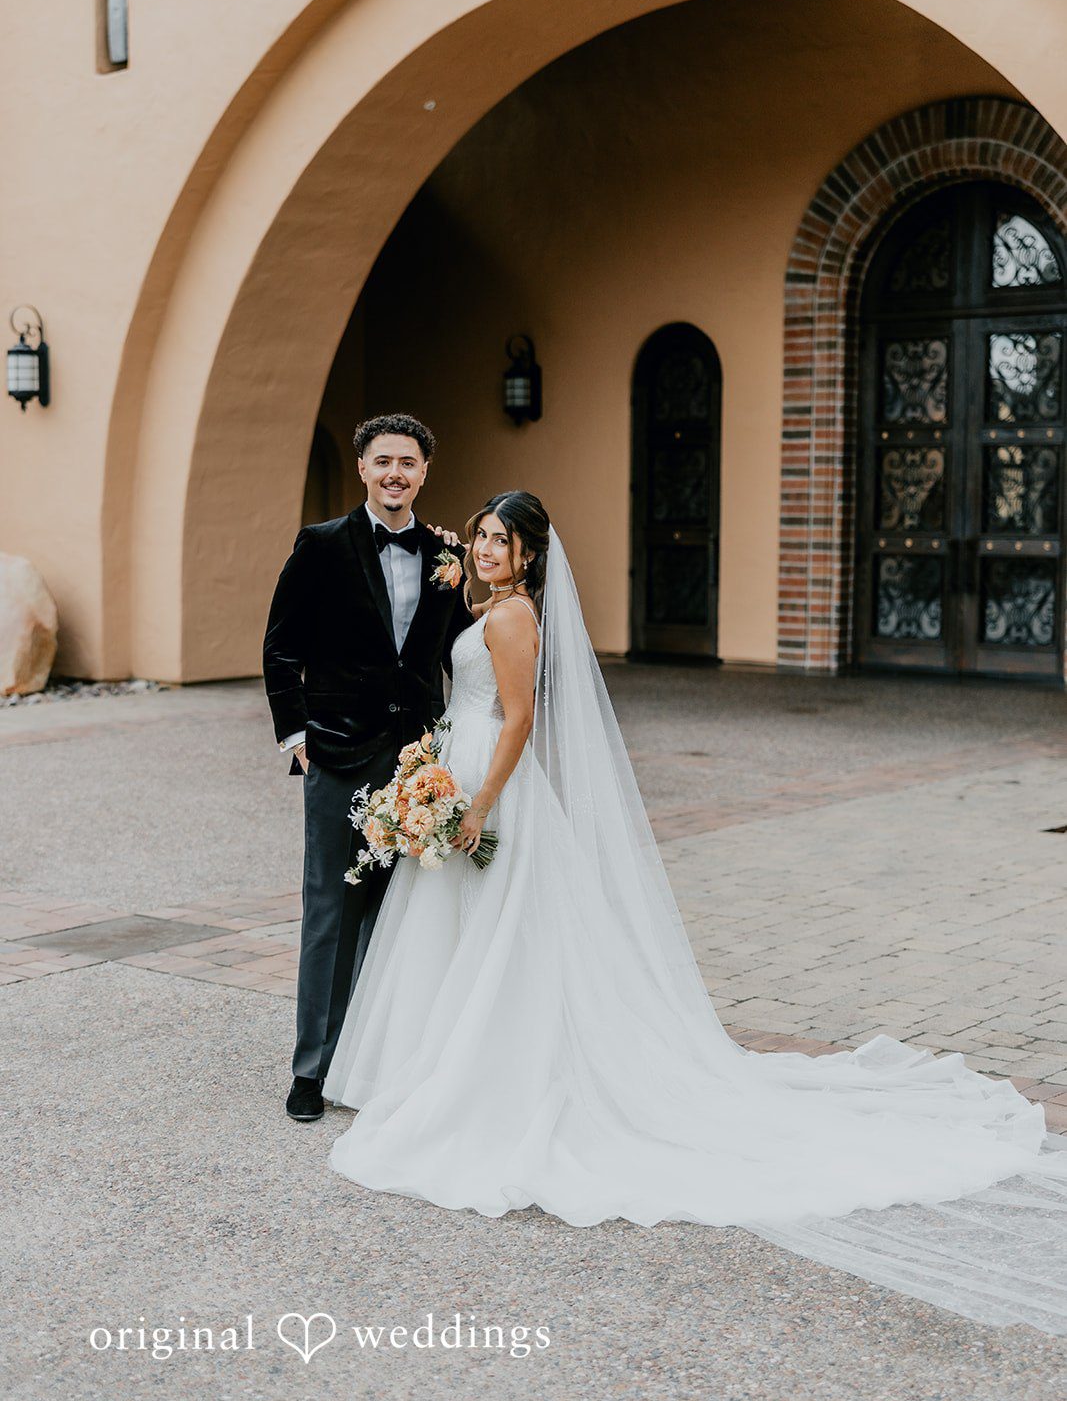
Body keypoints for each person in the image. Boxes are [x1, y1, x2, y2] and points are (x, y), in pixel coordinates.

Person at [323, 491, 1067, 1335]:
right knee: (464, 934)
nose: (489, 549)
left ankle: (488, 1074)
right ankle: (435, 1063)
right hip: (455, 771)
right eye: (484, 537)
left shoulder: (513, 618)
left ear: (531, 555)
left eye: (504, 541)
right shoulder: (490, 607)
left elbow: (520, 718)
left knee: (505, 939)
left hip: (491, 791)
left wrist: (481, 804)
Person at [262, 414, 472, 1123]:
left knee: (400, 910)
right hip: (336, 750)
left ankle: (380, 1061)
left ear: (424, 472)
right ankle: (310, 1070)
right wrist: (296, 735)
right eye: (382, 461)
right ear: (361, 468)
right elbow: (281, 647)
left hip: (417, 758)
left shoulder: (448, 555)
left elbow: (459, 654)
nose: (394, 473)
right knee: (330, 911)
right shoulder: (320, 546)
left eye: (407, 463)